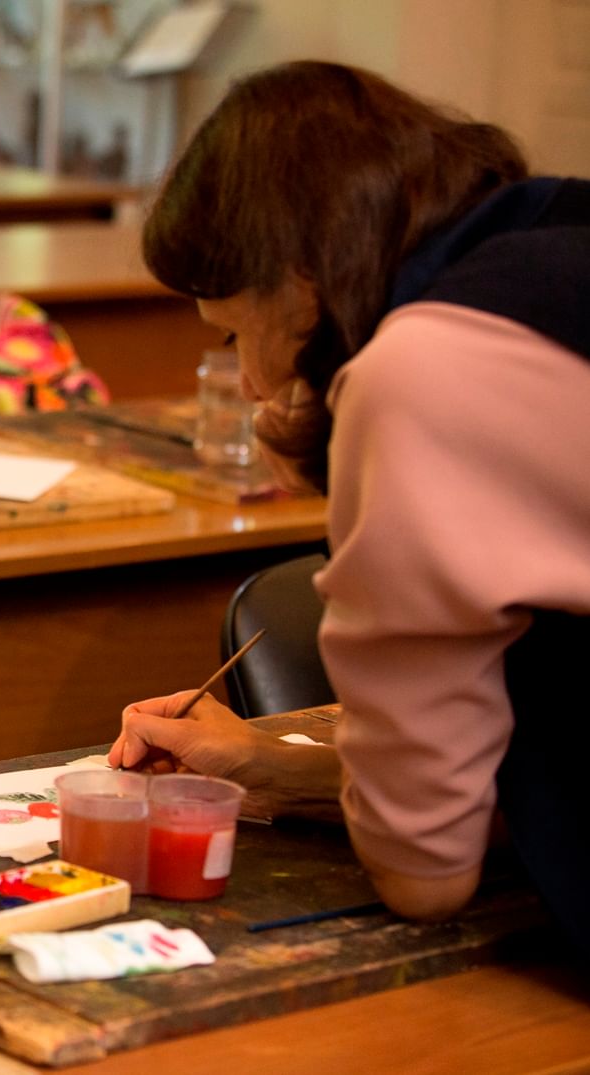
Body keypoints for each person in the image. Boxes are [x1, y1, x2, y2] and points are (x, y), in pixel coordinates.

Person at [107, 61, 590, 952]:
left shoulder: (424, 370)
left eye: (233, 332)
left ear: (300, 285)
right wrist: (268, 767)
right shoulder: (557, 235)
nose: (250, 381)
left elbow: (425, 872)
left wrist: (363, 443)